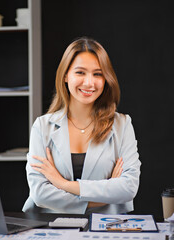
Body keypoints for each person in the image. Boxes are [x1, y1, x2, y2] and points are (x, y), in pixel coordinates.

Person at [22, 37, 141, 214]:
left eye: (97, 74)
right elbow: (40, 194)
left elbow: (128, 188)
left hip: (104, 228)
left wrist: (64, 184)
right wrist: (103, 197)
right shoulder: (43, 126)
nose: (89, 83)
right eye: (80, 72)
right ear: (65, 76)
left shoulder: (122, 125)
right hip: (50, 227)